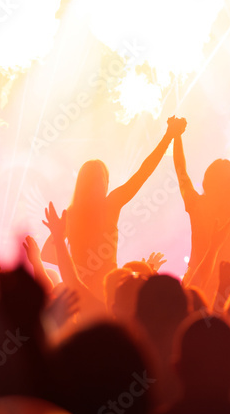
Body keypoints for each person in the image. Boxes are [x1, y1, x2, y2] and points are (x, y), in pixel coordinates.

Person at [41, 117, 184, 293]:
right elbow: (143, 172)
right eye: (105, 180)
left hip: (79, 290)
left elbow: (46, 253)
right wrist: (168, 136)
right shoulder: (110, 204)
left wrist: (76, 265)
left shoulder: (70, 215)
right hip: (106, 289)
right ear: (103, 182)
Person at [171, 117, 230, 299]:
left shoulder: (196, 204)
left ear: (207, 181)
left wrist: (176, 136)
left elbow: (181, 172)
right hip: (226, 289)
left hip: (195, 282)